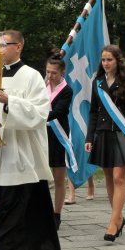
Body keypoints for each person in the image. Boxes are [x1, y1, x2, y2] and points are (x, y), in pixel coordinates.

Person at [0, 29, 60, 250]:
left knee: (14, 203)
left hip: (23, 151)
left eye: (4, 44)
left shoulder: (31, 76)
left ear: (18, 46)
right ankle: (35, 245)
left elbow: (41, 112)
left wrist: (10, 101)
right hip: (0, 151)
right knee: (26, 202)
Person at [85, 45, 125, 241]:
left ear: (117, 61)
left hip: (122, 134)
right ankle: (118, 217)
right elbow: (93, 112)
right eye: (103, 60)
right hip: (103, 134)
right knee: (109, 178)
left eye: (109, 59)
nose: (106, 63)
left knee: (119, 178)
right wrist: (89, 137)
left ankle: (112, 222)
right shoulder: (98, 82)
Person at [45, 54, 73, 229]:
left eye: (54, 73)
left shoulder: (67, 90)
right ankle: (42, 211)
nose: (50, 76)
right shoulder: (42, 86)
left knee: (59, 176)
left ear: (62, 72)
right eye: (48, 72)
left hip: (58, 134)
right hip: (42, 133)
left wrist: (34, 115)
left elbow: (58, 111)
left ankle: (57, 213)